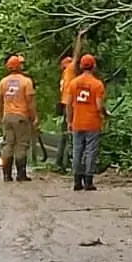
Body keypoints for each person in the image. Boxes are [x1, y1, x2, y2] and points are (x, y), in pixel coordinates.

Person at [66, 53, 107, 191]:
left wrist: (69, 120)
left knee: (77, 150)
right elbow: (99, 106)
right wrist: (105, 113)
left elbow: (69, 104)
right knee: (90, 151)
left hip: (77, 122)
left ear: (81, 66)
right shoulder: (97, 84)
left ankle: (77, 181)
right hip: (92, 123)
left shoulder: (73, 83)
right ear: (94, 66)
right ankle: (88, 181)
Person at [0, 54, 38, 182]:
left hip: (7, 116)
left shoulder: (3, 82)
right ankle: (21, 174)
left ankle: (6, 175)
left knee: (8, 145)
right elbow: (30, 101)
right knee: (21, 145)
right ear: (19, 66)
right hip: (21, 117)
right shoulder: (26, 81)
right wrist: (34, 117)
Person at [55, 31, 85, 172]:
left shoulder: (65, 76)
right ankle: (68, 163)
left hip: (64, 103)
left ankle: (60, 162)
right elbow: (77, 55)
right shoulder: (70, 71)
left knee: (64, 135)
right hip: (70, 105)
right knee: (71, 133)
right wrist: (80, 38)